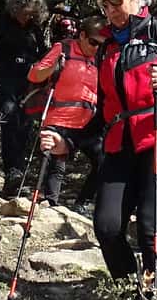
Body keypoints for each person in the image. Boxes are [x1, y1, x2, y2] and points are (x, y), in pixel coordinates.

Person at [39, 0, 157, 297]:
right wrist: (67, 142)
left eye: (115, 1)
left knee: (151, 227)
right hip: (121, 143)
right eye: (103, 3)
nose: (109, 10)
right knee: (107, 225)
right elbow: (104, 114)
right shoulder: (107, 49)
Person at [23, 11, 107, 203]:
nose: (97, 48)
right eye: (94, 42)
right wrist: (53, 67)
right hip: (59, 118)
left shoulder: (100, 58)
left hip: (88, 122)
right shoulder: (63, 49)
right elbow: (34, 76)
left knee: (102, 161)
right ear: (82, 35)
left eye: (102, 45)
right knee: (57, 165)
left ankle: (82, 203)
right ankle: (50, 204)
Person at [0, 0, 51, 191]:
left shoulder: (34, 29)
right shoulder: (0, 23)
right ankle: (12, 169)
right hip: (3, 77)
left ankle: (18, 171)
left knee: (25, 122)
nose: (29, 15)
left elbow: (43, 53)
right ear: (17, 7)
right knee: (9, 116)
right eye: (27, 11)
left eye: (34, 13)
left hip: (27, 80)